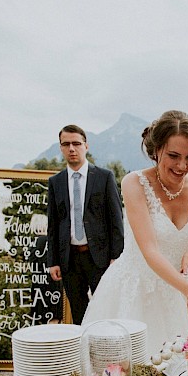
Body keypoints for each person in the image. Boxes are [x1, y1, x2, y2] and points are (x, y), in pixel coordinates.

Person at [82, 110, 188, 353]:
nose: (182, 166)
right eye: (173, 156)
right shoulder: (134, 183)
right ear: (156, 151)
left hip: (184, 294)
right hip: (135, 291)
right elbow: (150, 250)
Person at [46, 125, 124, 324]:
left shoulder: (104, 177)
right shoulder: (56, 182)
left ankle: (105, 350)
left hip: (99, 257)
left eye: (76, 144)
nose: (71, 148)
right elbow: (53, 223)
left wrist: (116, 257)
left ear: (86, 146)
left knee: (104, 310)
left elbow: (116, 219)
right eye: (66, 144)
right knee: (78, 311)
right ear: (61, 148)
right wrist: (53, 261)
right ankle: (82, 351)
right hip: (69, 259)